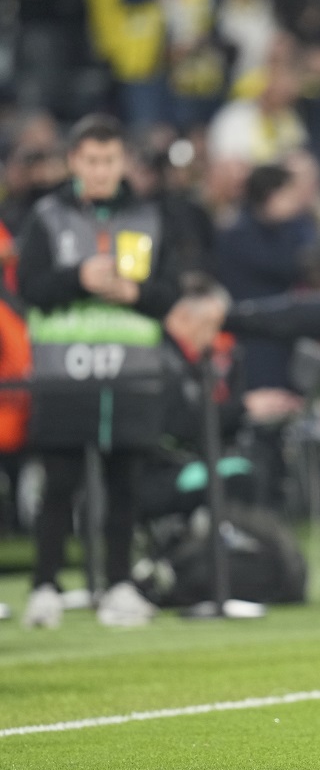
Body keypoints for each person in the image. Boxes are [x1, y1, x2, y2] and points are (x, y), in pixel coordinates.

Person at [17, 114, 182, 628]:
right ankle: (45, 586)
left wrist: (136, 294)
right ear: (73, 162)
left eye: (109, 160)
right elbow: (29, 288)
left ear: (122, 162)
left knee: (125, 486)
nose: (101, 170)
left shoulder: (151, 217)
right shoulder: (45, 217)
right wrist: (79, 277)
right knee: (59, 483)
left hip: (130, 375)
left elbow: (170, 293)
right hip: (66, 373)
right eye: (91, 160)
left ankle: (118, 585)